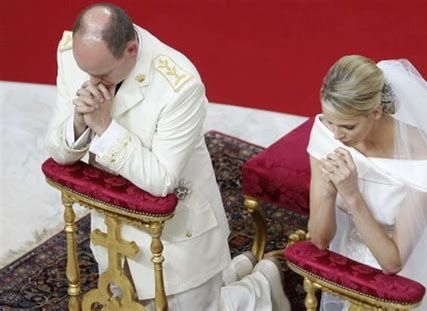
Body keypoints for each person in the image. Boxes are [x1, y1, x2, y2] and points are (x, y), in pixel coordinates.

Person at [46, 3, 289, 310]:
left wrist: (105, 128)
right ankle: (234, 271)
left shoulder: (179, 85)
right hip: (113, 226)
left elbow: (161, 179)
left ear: (131, 50)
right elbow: (56, 148)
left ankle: (262, 284)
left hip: (179, 231)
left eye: (102, 74)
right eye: (87, 72)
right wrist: (80, 121)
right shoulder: (74, 56)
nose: (92, 82)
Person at [307, 55, 427, 310]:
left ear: (376, 111)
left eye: (348, 127)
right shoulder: (328, 133)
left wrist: (352, 195)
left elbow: (392, 263)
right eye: (331, 122)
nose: (337, 135)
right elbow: (318, 240)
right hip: (348, 263)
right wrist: (329, 193)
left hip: (403, 277)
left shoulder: (422, 156)